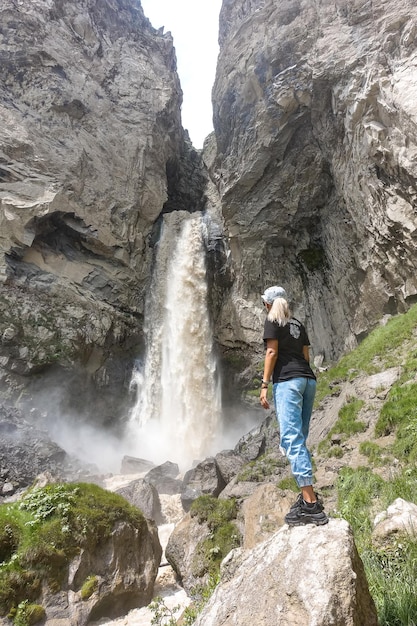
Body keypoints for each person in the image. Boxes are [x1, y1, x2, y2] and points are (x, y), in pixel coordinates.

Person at [259, 285, 328, 526]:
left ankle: (310, 504)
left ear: (268, 305)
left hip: (288, 382)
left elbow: (271, 352)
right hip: (307, 380)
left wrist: (264, 384)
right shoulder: (297, 324)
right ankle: (307, 494)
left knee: (292, 440)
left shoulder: (272, 321)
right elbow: (306, 356)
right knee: (299, 437)